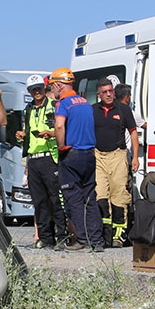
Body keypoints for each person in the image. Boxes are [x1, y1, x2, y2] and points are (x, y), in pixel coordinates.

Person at [50, 68, 105, 252]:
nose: (53, 90)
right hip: (89, 153)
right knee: (90, 197)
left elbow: (59, 125)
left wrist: (61, 146)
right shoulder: (85, 102)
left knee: (73, 198)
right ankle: (97, 241)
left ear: (59, 85)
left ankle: (81, 239)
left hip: (71, 153)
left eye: (52, 86)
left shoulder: (63, 104)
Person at [16, 74, 68, 250]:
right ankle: (46, 239)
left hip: (50, 156)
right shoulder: (27, 109)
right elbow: (26, 132)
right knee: (39, 201)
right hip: (33, 159)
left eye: (40, 88)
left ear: (44, 89)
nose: (37, 91)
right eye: (33, 89)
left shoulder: (54, 105)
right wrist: (21, 136)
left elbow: (63, 129)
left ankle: (62, 237)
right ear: (29, 91)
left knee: (56, 198)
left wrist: (51, 133)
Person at [93, 78, 139, 247]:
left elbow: (134, 133)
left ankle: (119, 235)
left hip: (118, 155)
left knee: (119, 195)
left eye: (111, 91)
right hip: (98, 156)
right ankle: (104, 234)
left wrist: (134, 157)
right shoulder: (93, 110)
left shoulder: (124, 109)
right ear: (99, 95)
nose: (109, 94)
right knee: (100, 195)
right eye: (105, 92)